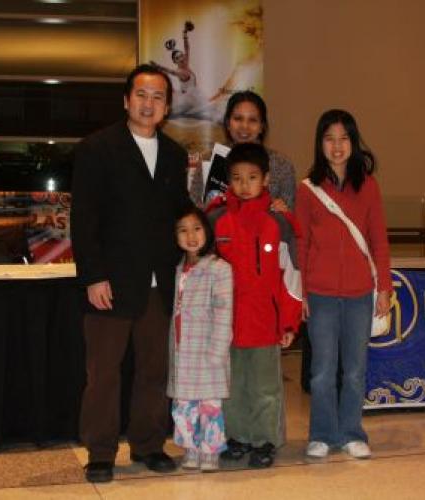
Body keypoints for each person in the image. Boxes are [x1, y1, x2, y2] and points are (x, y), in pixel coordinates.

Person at [70, 63, 192, 483]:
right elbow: (83, 219)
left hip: (160, 281)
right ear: (126, 100)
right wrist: (93, 276)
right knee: (103, 372)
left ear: (167, 106)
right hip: (112, 282)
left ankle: (148, 443)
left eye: (158, 96)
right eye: (141, 94)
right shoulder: (97, 148)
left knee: (154, 369)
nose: (149, 103)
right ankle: (101, 452)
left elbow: (181, 214)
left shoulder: (176, 155)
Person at [295, 109, 392, 460]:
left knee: (354, 369)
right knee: (321, 371)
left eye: (344, 138)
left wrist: (384, 287)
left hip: (359, 294)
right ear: (320, 144)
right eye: (329, 139)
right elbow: (301, 243)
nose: (337, 147)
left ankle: (351, 432)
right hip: (320, 293)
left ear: (353, 142)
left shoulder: (368, 186)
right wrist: (302, 292)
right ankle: (321, 433)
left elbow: (379, 239)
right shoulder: (308, 190)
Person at [206, 142, 302, 468]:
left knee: (265, 388)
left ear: (266, 179)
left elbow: (292, 279)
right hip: (227, 326)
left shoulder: (280, 224)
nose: (243, 185)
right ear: (228, 181)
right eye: (236, 178)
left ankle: (264, 441)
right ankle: (236, 437)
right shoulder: (216, 221)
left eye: (251, 177)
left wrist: (289, 323)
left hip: (266, 323)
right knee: (232, 387)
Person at [168, 206, 233, 472]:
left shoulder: (219, 268)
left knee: (209, 404)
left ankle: (210, 450)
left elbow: (223, 311)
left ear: (207, 231)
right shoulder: (176, 269)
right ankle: (190, 448)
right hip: (182, 348)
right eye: (183, 231)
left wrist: (218, 351)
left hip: (207, 349)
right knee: (183, 404)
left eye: (196, 229)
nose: (191, 236)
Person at [190, 91, 297, 210]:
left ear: (262, 126)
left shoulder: (282, 165)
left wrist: (281, 211)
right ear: (228, 123)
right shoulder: (209, 160)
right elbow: (193, 211)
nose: (244, 126)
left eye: (252, 120)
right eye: (238, 119)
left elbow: (289, 215)